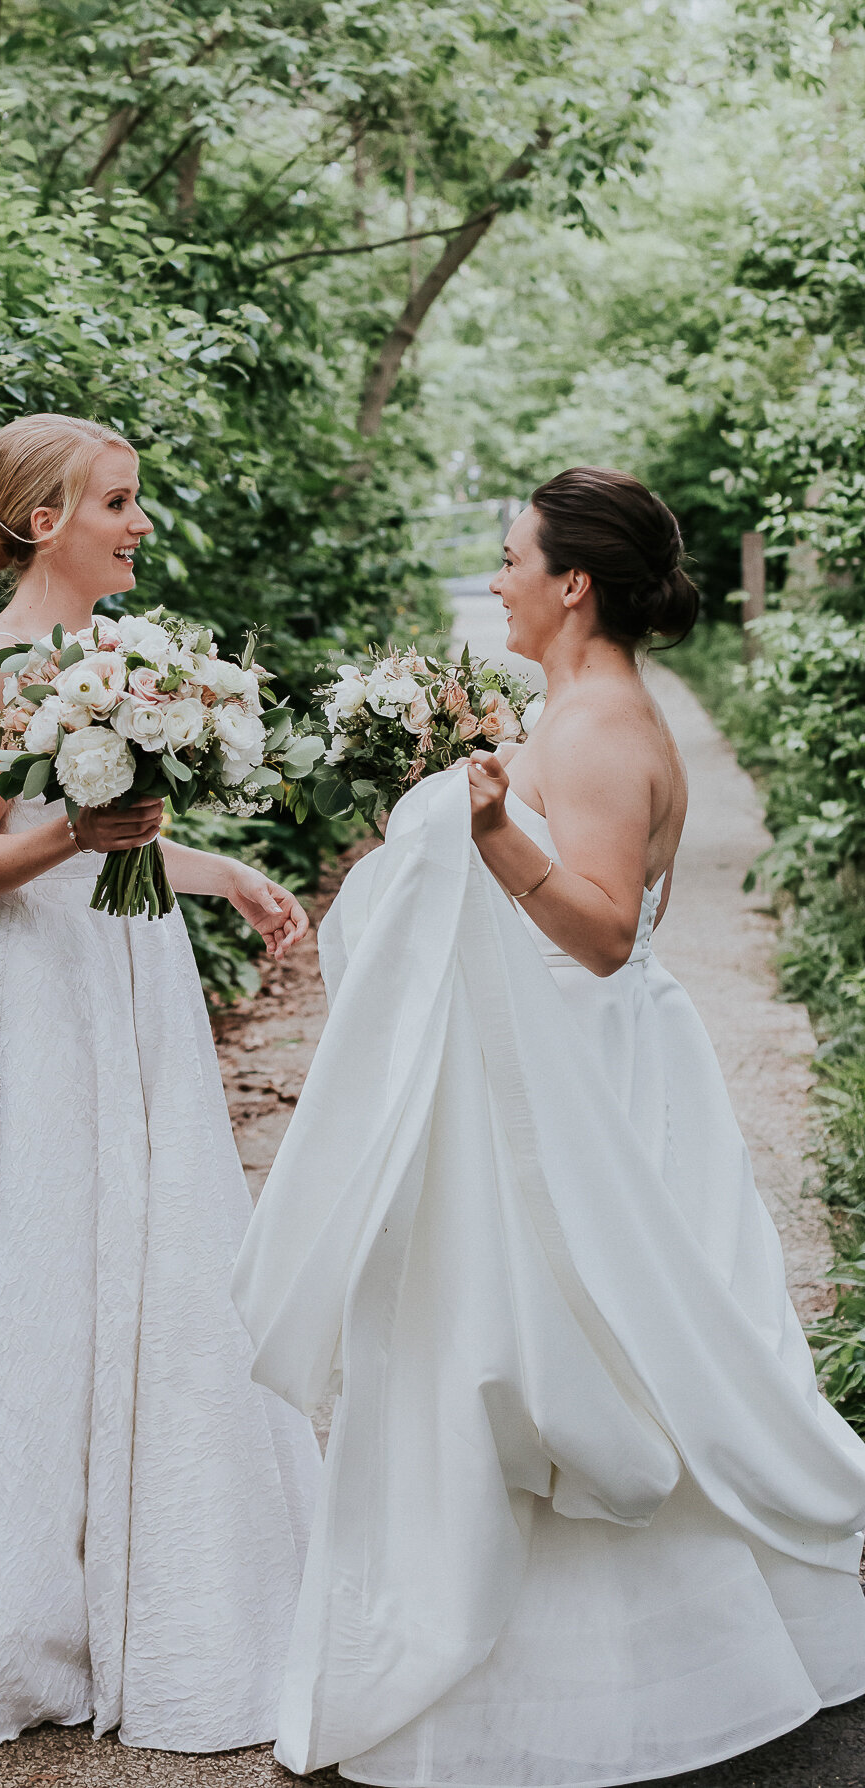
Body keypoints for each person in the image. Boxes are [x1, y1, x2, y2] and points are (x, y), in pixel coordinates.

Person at [234, 467, 865, 1787]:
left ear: (573, 581)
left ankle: (588, 1682)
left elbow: (596, 930)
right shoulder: (566, 709)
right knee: (609, 1338)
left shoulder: (592, 729)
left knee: (584, 1342)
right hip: (566, 1064)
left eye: (514, 555)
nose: (501, 577)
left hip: (582, 1079)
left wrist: (485, 834)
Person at [0, 412, 322, 1762]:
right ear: (47, 519)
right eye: (119, 503)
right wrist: (75, 837)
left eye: (137, 501)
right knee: (55, 1243)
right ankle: (32, 1557)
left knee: (153, 1237)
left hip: (130, 973)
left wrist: (214, 873)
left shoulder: (111, 657)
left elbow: (117, 845)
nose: (139, 523)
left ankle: (159, 1519)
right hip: (36, 997)